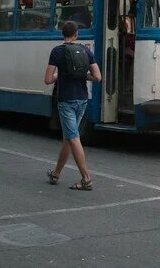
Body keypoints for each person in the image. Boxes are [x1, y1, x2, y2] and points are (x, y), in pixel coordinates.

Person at [45, 21, 102, 191]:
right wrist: (83, 76)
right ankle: (55, 174)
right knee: (68, 138)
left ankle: (86, 179)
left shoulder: (57, 51)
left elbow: (47, 79)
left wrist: (58, 77)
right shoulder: (85, 50)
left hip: (66, 100)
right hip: (82, 100)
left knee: (73, 138)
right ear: (76, 35)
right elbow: (97, 77)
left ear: (63, 34)